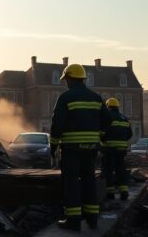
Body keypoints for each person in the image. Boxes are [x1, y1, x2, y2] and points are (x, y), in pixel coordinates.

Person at [50, 63, 112, 231]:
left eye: (66, 79)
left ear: (70, 78)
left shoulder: (65, 98)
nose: (65, 83)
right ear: (82, 79)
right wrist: (99, 135)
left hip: (71, 148)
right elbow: (108, 121)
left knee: (71, 182)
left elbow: (57, 124)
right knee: (89, 180)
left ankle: (73, 220)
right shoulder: (96, 98)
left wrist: (53, 145)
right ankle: (92, 219)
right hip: (91, 148)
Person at [101, 97, 133, 200]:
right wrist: (122, 141)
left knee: (108, 169)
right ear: (117, 107)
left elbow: (102, 133)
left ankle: (110, 192)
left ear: (108, 107)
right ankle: (124, 191)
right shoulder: (123, 117)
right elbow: (130, 134)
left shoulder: (107, 117)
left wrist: (102, 141)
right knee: (121, 169)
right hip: (121, 149)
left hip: (109, 148)